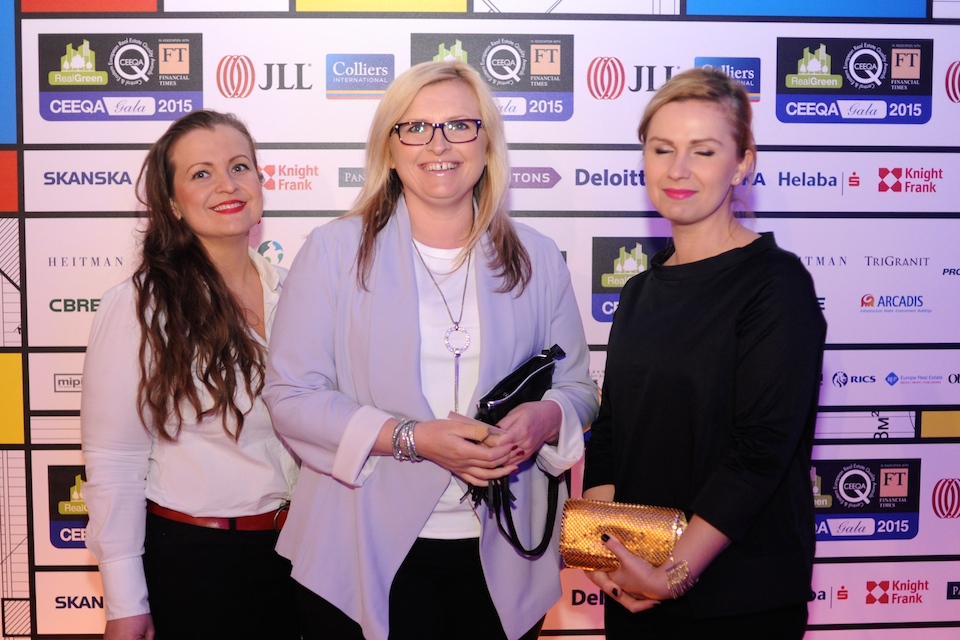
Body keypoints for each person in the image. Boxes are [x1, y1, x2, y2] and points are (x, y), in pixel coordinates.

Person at [263, 60, 598, 640]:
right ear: (389, 149)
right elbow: (291, 397)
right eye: (415, 127)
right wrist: (411, 438)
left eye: (459, 126)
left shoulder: (538, 258)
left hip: (503, 557)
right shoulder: (333, 251)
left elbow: (579, 390)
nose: (438, 144)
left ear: (486, 144)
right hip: (360, 548)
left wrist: (547, 418)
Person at [581, 67, 826, 639]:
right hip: (638, 588)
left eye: (704, 151)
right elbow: (611, 432)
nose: (678, 169)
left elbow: (759, 452)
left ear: (742, 164)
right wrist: (607, 555)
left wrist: (672, 574)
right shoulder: (640, 290)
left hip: (736, 599)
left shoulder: (776, 284)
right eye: (662, 148)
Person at [81, 110, 300, 640]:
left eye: (239, 166)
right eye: (202, 173)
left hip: (303, 558)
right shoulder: (139, 307)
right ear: (173, 203)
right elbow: (115, 462)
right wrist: (125, 604)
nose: (228, 184)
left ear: (260, 181)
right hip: (197, 566)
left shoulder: (300, 292)